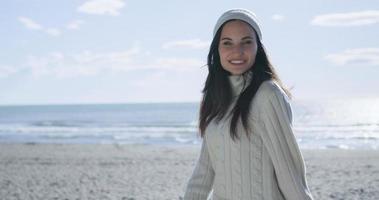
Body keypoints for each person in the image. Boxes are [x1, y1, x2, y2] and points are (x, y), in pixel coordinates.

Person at [183, 8, 314, 200]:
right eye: (227, 43)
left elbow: (289, 174)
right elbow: (203, 173)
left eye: (246, 42)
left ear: (257, 48)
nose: (238, 51)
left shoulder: (268, 95)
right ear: (217, 49)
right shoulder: (215, 97)